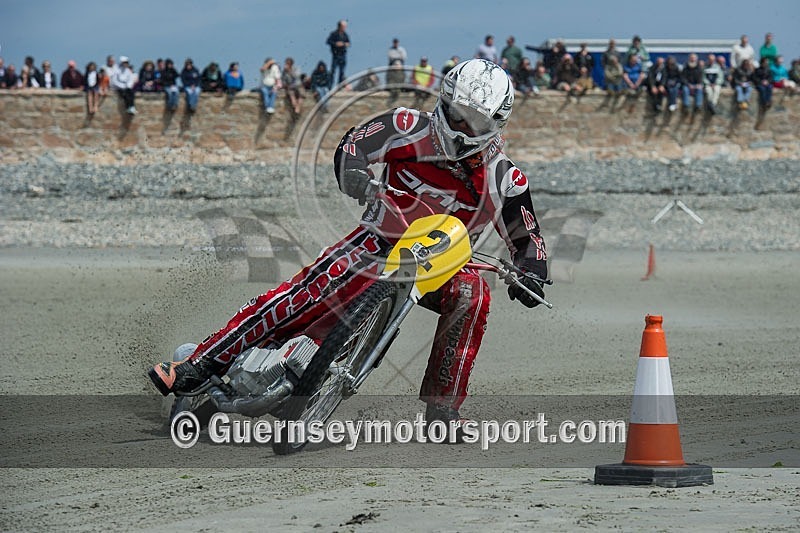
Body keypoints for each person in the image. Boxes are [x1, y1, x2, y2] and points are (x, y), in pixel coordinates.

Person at [148, 59, 548, 430]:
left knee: (474, 292)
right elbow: (354, 144)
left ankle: (442, 410)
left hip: (442, 264)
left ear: (496, 124)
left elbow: (527, 238)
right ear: (442, 101)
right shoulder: (406, 124)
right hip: (377, 240)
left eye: (476, 121)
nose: (463, 126)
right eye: (458, 113)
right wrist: (354, 171)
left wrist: (531, 271)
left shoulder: (504, 178)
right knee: (308, 291)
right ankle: (198, 363)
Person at [326, 19, 350, 87]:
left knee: (342, 72)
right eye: (343, 26)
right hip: (336, 55)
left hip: (343, 54)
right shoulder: (334, 34)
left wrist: (345, 44)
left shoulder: (345, 35)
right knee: (333, 71)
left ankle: (339, 86)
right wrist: (336, 44)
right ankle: (330, 86)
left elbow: (348, 43)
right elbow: (328, 41)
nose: (345, 28)